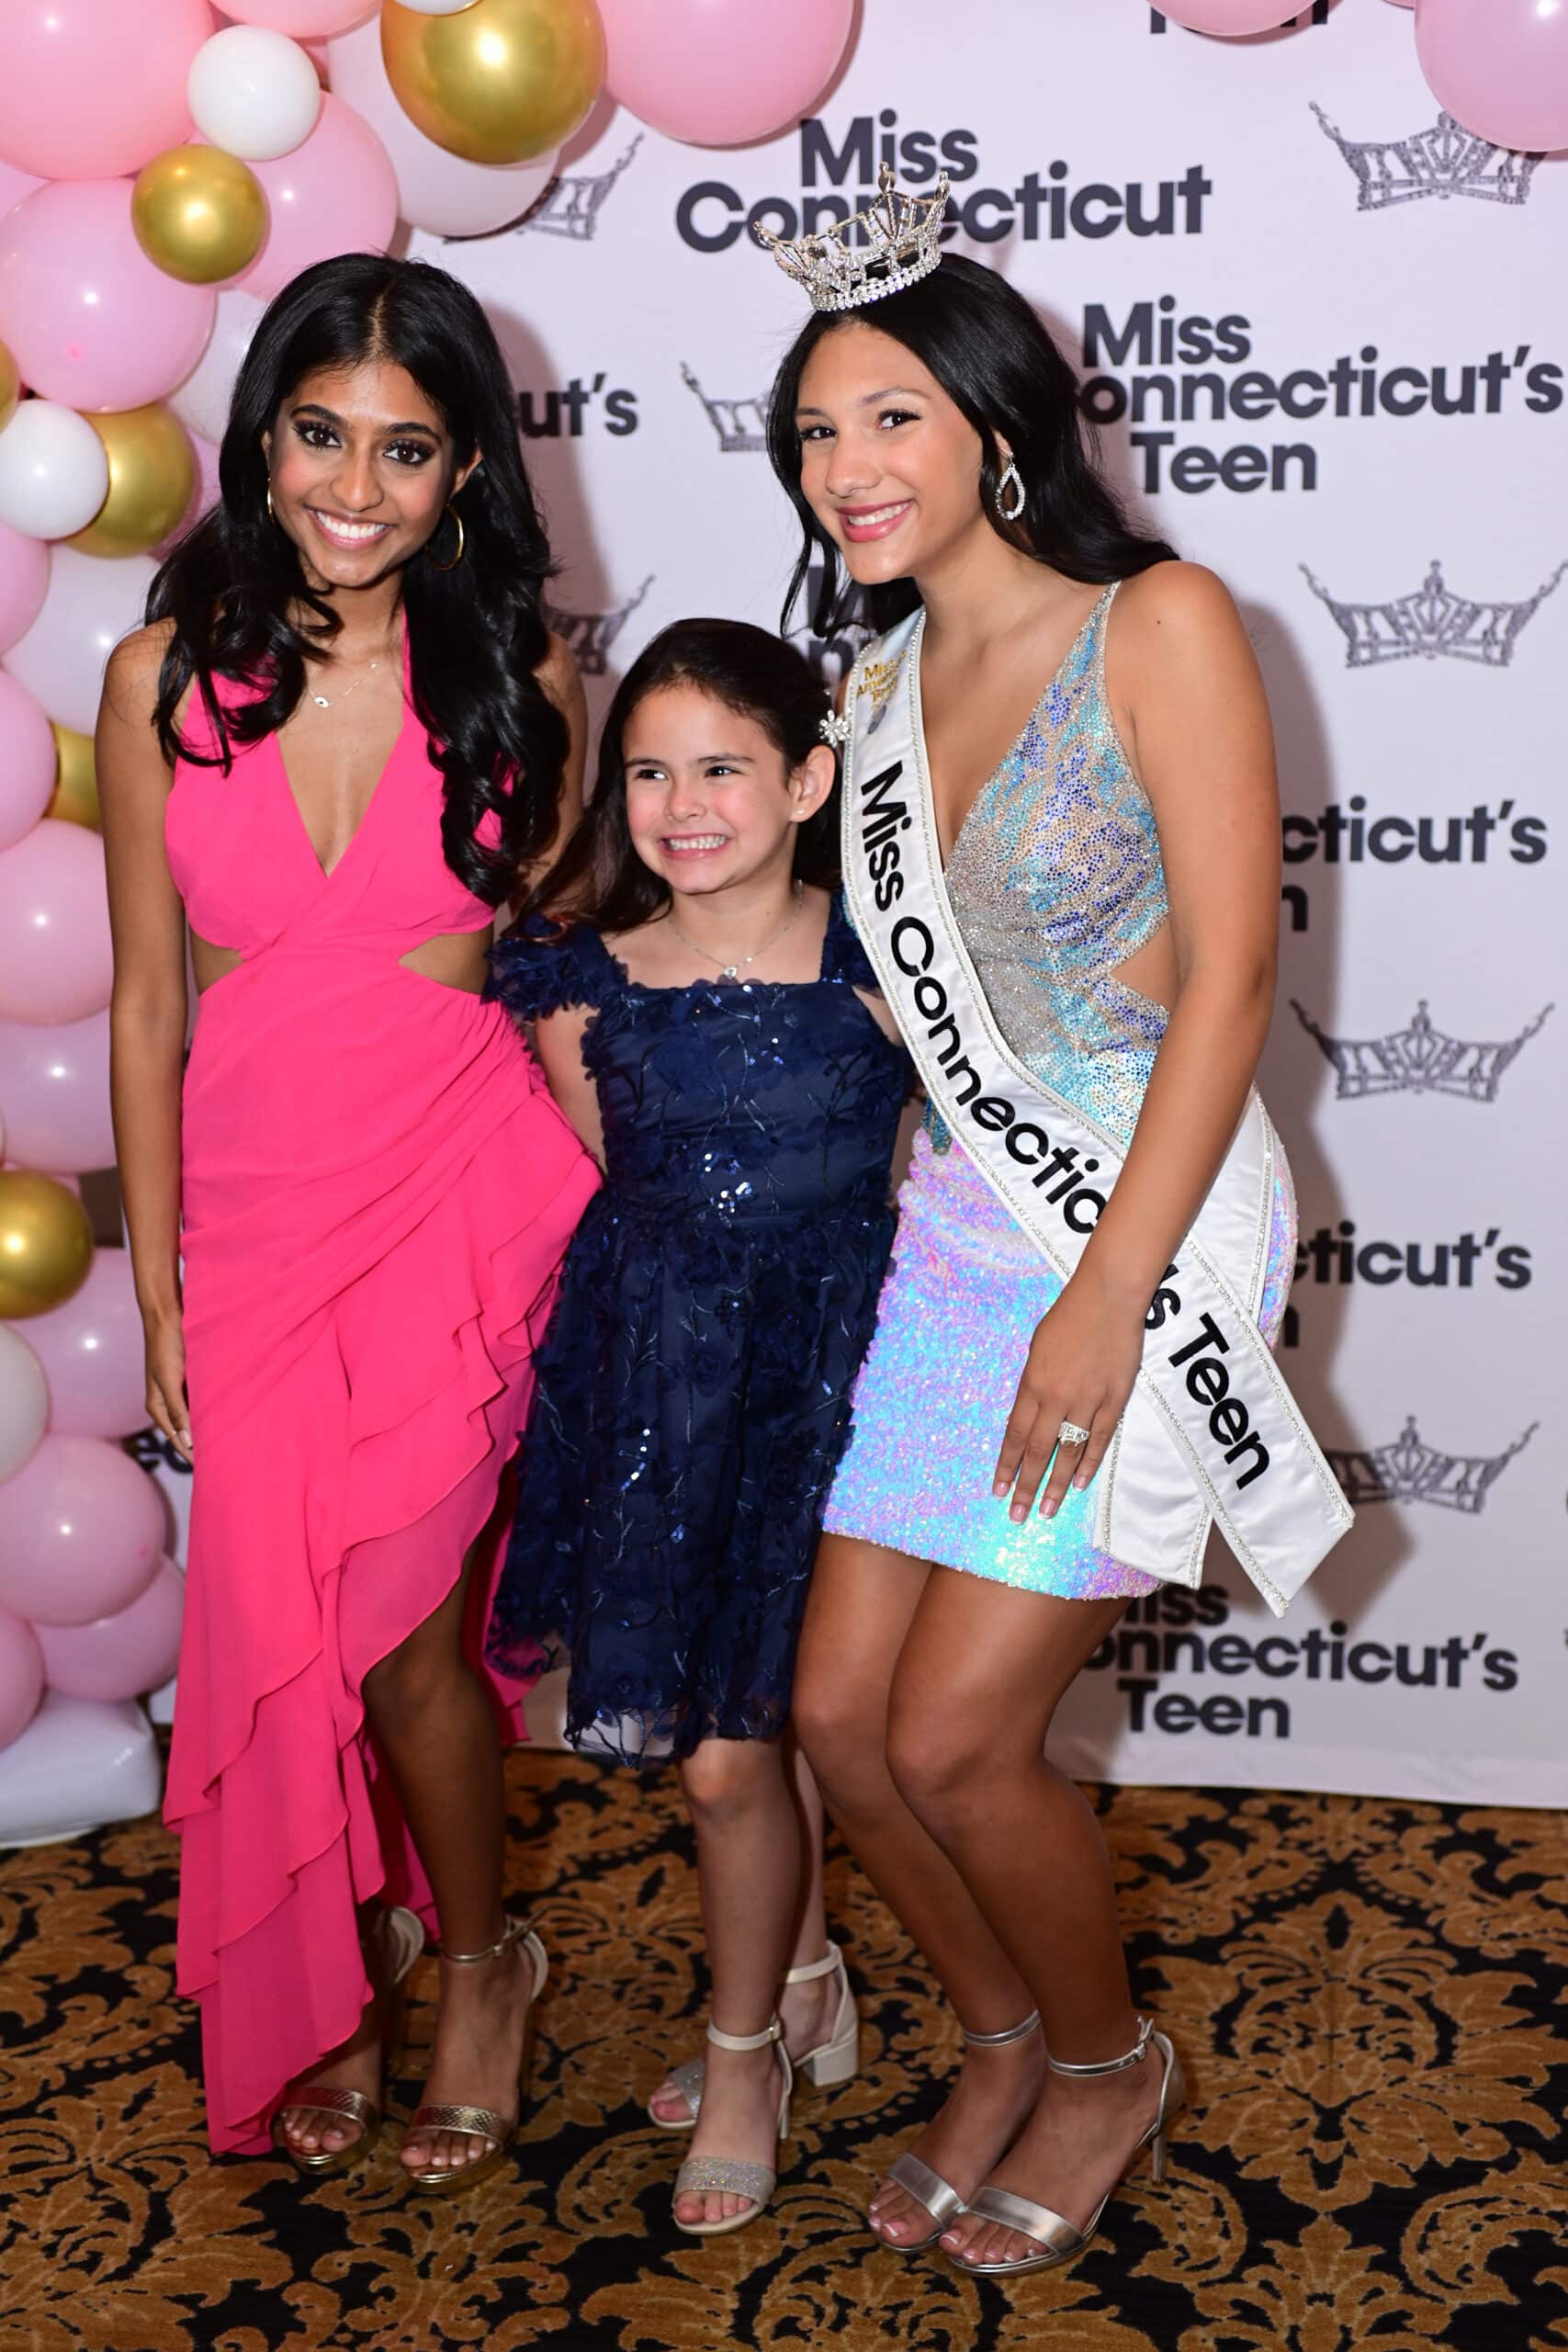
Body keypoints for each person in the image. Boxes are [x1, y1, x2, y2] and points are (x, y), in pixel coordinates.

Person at [757, 180, 1349, 2277]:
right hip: (955, 1220)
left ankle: (1103, 2062)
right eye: (815, 432)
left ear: (996, 422)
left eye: (889, 417)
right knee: (841, 1723)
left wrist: (1107, 1300)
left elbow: (1229, 983)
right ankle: (999, 2034)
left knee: (953, 1733)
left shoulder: (1157, 622)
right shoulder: (871, 689)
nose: (846, 468)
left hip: (1139, 1221)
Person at [98, 253, 599, 2188]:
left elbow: (548, 956)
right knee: (269, 1627)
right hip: (249, 1219)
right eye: (321, 434)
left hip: (451, 1199)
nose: (356, 486)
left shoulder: (524, 683)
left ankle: (479, 1961)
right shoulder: (159, 678)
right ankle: (330, 1975)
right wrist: (161, 1290)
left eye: (405, 447)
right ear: (262, 440)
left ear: (465, 467)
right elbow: (149, 1004)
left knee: (399, 1642)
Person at [484, 619, 914, 2235]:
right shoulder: (583, 983)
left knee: (756, 1745)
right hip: (665, 1398)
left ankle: (749, 2049)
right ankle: (794, 1988)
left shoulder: (885, 970)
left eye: (723, 768)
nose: (681, 807)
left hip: (844, 1398)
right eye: (650, 772)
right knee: (719, 1745)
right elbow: (621, 1193)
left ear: (809, 781)